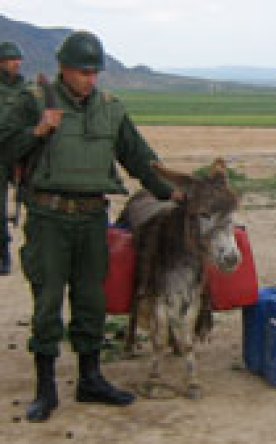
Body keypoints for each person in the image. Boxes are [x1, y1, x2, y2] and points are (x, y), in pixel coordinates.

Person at [0, 30, 182, 422]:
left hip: (91, 218)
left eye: (95, 72)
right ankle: (45, 390)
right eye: (83, 71)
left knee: (91, 301)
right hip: (49, 218)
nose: (90, 79)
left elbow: (139, 158)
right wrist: (38, 131)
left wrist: (174, 192)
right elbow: (5, 147)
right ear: (63, 69)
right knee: (48, 302)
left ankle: (90, 379)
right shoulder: (33, 103)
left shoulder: (111, 109)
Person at [0, 41, 25, 275]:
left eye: (18, 60)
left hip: (19, 155)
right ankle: (3, 252)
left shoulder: (25, 91)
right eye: (11, 60)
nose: (16, 64)